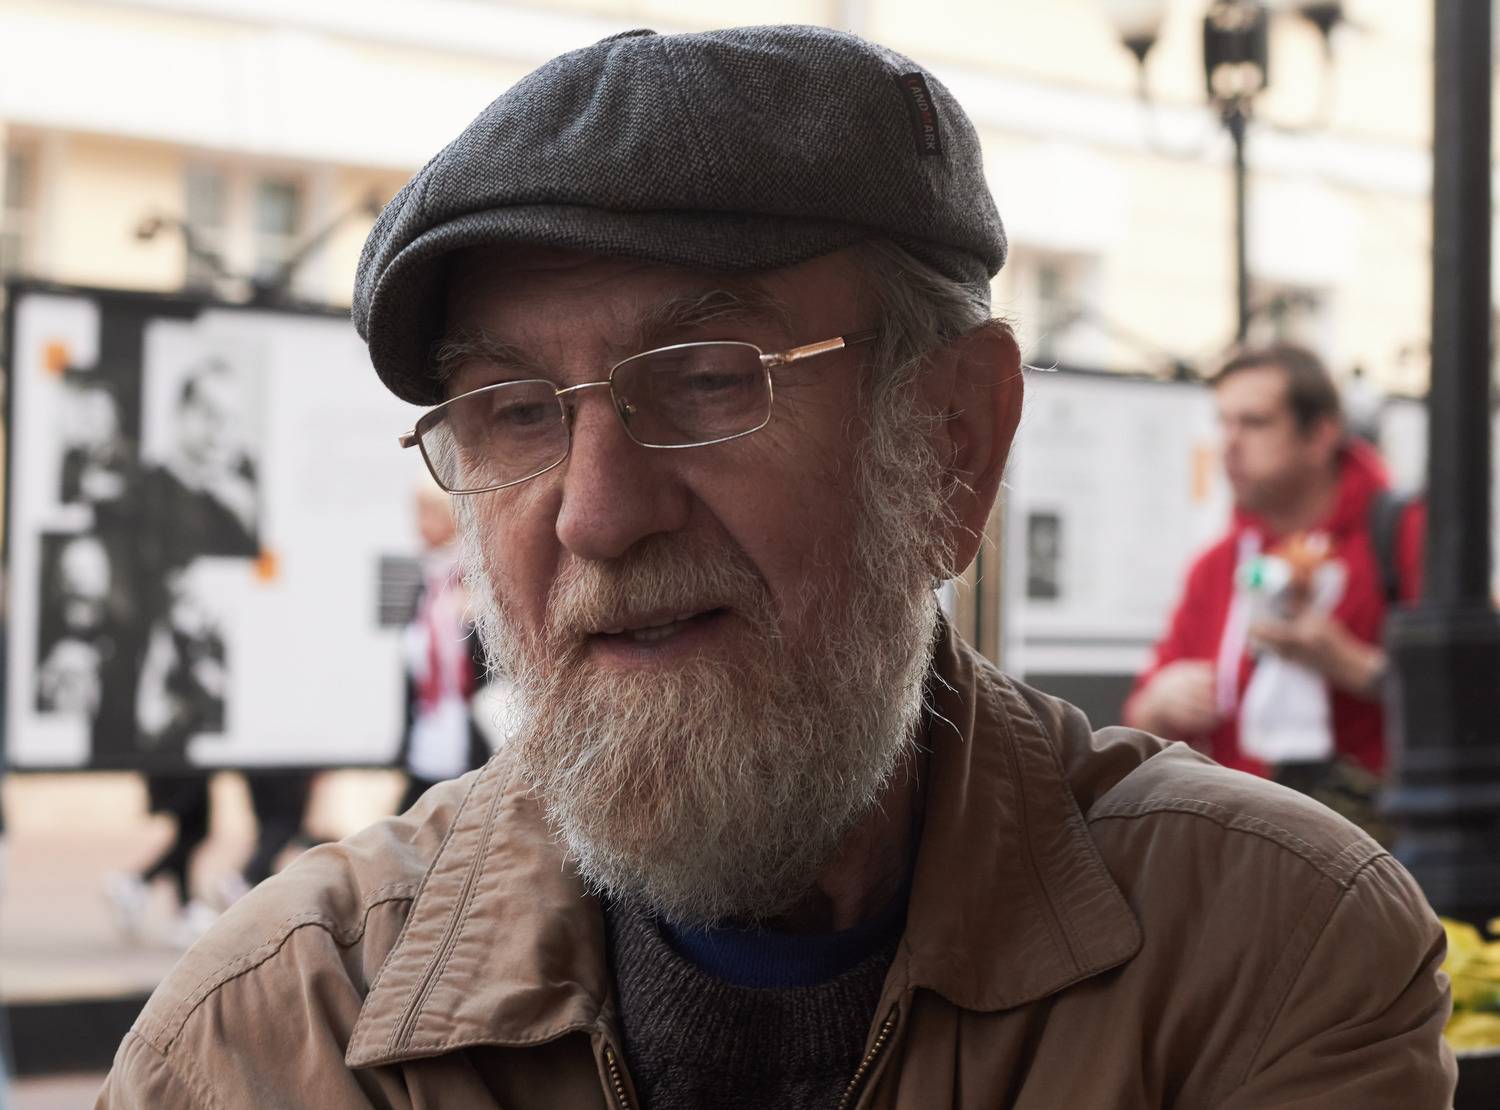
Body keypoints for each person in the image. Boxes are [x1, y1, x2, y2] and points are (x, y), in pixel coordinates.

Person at [99, 27, 1454, 1108]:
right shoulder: (280, 1027)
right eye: (513, 411)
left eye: (705, 380)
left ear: (954, 443)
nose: (598, 515)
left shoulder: (1260, 946)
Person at [1124, 344, 1423, 832]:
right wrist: (1158, 705)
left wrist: (1350, 664)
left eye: (1255, 423)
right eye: (1224, 423)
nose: (1229, 444)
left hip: (1379, 844)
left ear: (1320, 434)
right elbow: (1139, 720)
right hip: (1242, 841)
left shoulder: (1407, 534)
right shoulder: (1217, 565)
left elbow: (1473, 693)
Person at [394, 479, 491, 815]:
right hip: (427, 741)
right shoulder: (428, 586)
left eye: (428, 513)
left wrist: (474, 615)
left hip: (471, 743)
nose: (418, 524)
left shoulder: (477, 581)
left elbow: (490, 666)